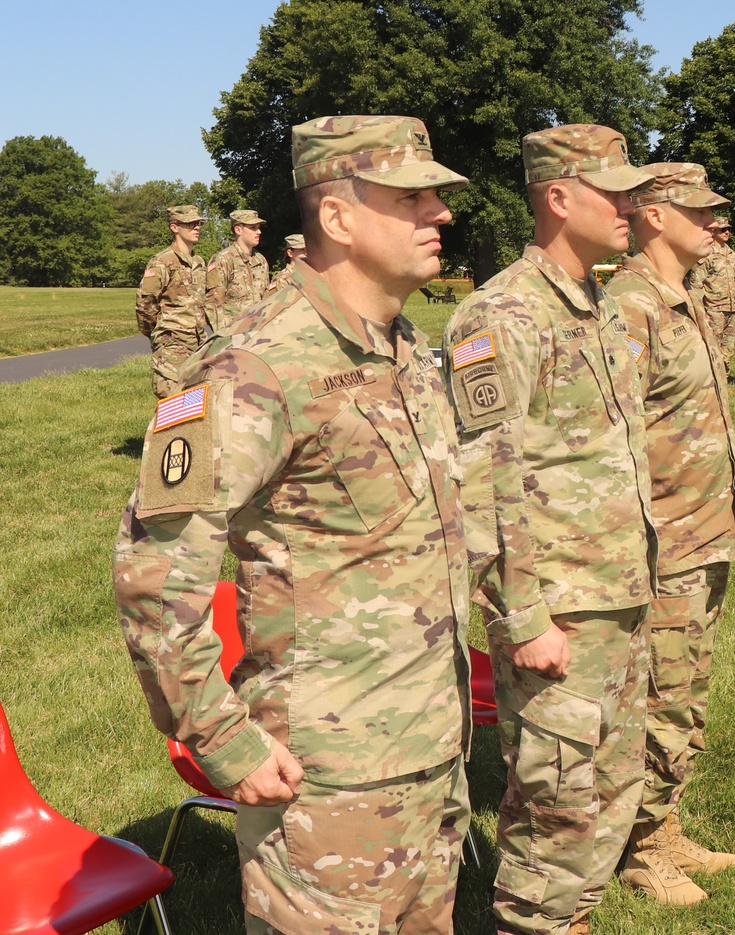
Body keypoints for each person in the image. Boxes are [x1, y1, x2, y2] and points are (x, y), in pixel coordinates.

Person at [113, 115, 473, 935]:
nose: (440, 214)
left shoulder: (406, 346)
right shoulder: (251, 365)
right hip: (327, 777)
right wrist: (224, 741)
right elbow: (152, 575)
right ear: (339, 218)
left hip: (429, 749)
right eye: (412, 196)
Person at [442, 124, 657, 935]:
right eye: (618, 192)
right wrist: (520, 614)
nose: (634, 206)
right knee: (557, 804)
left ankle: (574, 919)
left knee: (610, 787)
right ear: (559, 198)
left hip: (617, 594)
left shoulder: (596, 304)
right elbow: (483, 479)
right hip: (558, 608)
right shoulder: (498, 314)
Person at [606, 163, 735, 907]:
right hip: (662, 540)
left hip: (702, 533)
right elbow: (609, 431)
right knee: (660, 696)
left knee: (686, 693)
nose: (712, 221)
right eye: (698, 210)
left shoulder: (676, 297)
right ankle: (636, 847)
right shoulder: (630, 305)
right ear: (654, 216)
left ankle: (664, 825)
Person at [135, 204, 208, 399]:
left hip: (198, 345)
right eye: (190, 224)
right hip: (172, 346)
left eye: (198, 223)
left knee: (195, 405)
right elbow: (145, 304)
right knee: (172, 403)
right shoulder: (162, 262)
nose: (197, 227)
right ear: (174, 227)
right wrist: (161, 334)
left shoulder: (199, 262)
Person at [688, 215, 735, 373]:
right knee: (713, 344)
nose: (727, 232)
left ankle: (725, 377)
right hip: (714, 308)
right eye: (723, 229)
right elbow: (696, 282)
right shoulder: (707, 255)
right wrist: (698, 308)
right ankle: (712, 376)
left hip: (732, 307)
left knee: (728, 346)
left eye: (729, 229)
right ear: (714, 231)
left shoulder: (732, 255)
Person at [206, 209, 270, 333]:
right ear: (238, 230)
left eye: (258, 228)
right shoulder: (224, 259)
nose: (259, 232)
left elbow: (266, 299)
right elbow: (214, 303)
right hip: (232, 334)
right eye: (253, 228)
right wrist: (223, 336)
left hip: (257, 332)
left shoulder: (261, 260)